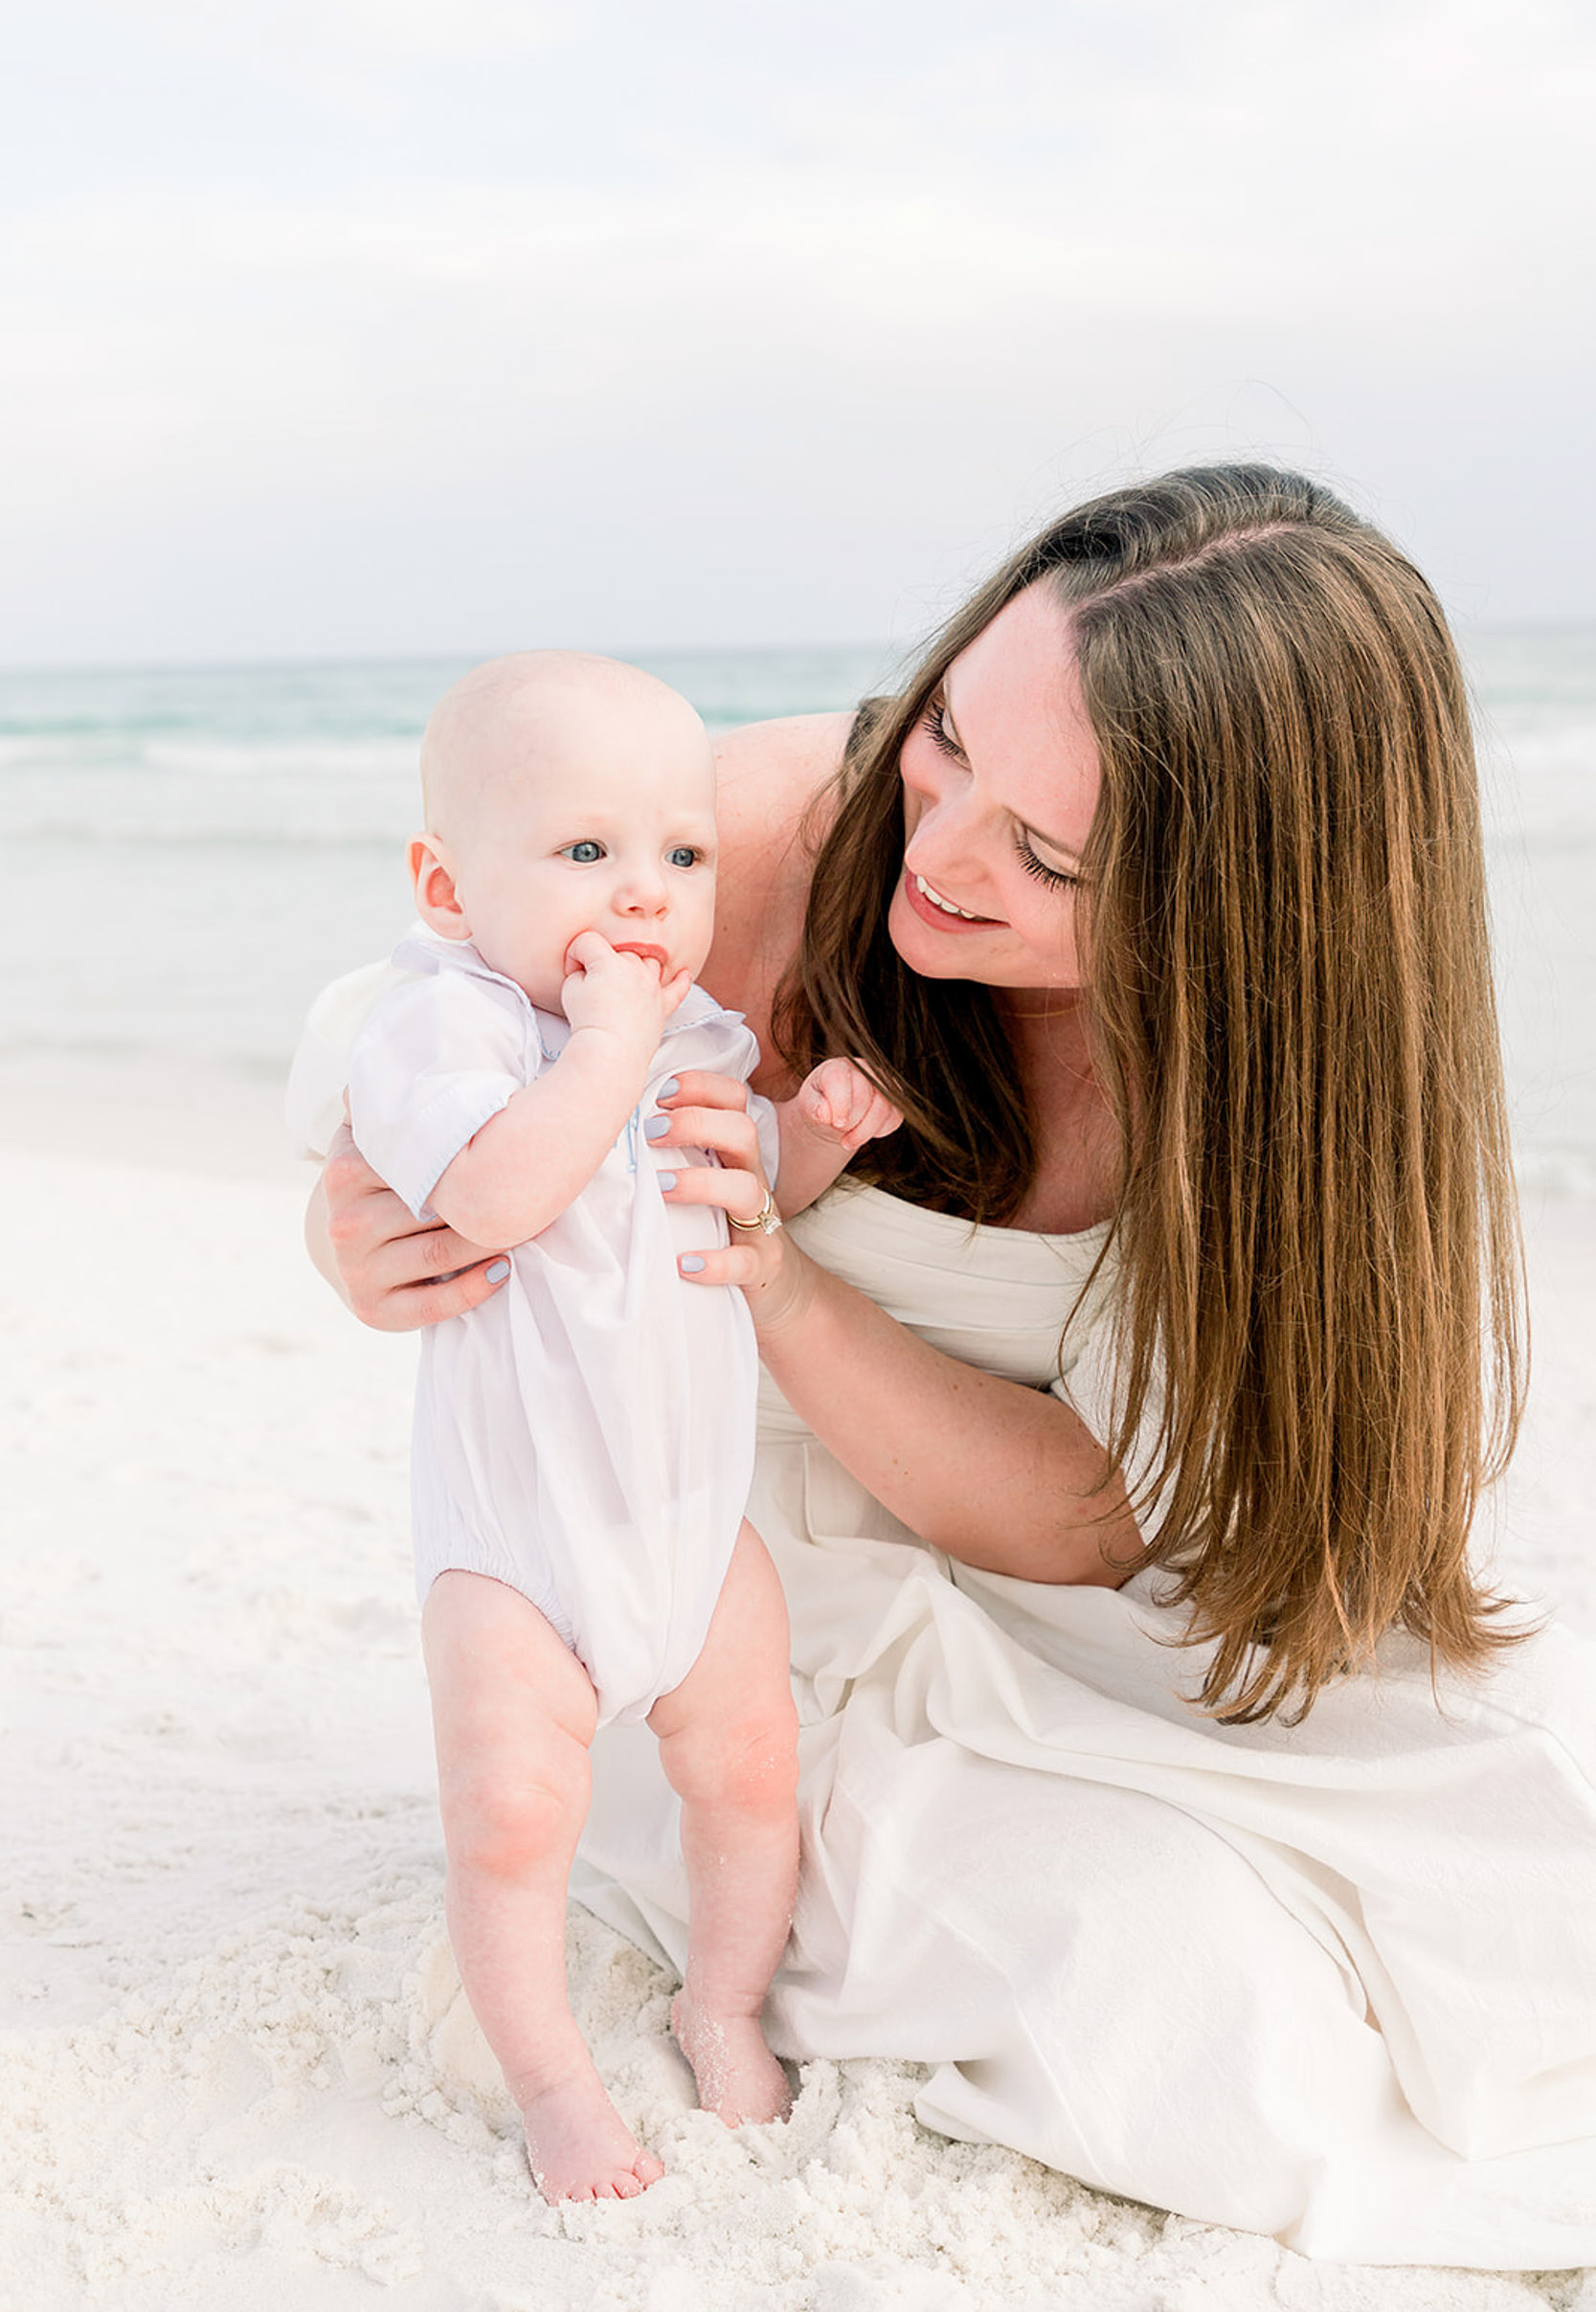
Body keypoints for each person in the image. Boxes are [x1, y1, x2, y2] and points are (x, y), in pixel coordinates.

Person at [304, 469, 1596, 2265]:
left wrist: (785, 1287)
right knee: (1180, 1994)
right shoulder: (714, 849)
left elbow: (1099, 1518)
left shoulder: (1280, 1078)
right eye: (952, 742)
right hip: (734, 1565)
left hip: (1075, 1561)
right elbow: (403, 1038)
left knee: (1520, 1880)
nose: (945, 850)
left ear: (1242, 917)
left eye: (1049, 858)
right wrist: (357, 1227)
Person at [309, 651, 899, 2204]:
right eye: (586, 850)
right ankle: (556, 2086)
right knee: (512, 1818)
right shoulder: (442, 1032)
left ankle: (724, 2006)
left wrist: (813, 1137)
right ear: (449, 888)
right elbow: (499, 1190)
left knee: (751, 1771)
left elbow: (744, 1180)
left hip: (689, 1524)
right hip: (519, 1552)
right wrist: (611, 1049)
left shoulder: (687, 1031)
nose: (646, 892)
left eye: (683, 855)